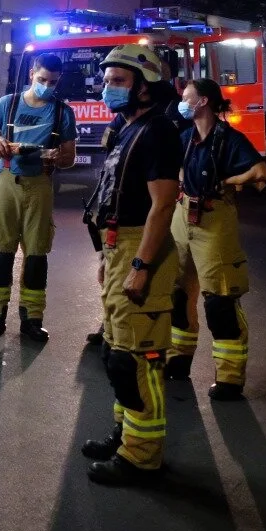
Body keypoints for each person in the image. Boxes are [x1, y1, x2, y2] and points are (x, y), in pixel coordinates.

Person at [79, 44, 182, 487]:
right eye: (106, 81)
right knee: (116, 353)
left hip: (142, 249)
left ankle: (142, 457)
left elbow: (162, 206)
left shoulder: (157, 131)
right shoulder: (129, 128)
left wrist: (140, 264)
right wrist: (109, 256)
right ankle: (126, 437)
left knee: (137, 359)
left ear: (145, 88)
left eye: (118, 82)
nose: (107, 89)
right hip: (122, 249)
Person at [165, 78, 266, 400]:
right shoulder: (184, 137)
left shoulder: (229, 139)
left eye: (187, 97)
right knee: (179, 294)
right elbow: (176, 172)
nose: (182, 102)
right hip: (183, 218)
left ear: (203, 102)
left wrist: (228, 181)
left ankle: (229, 379)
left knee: (219, 301)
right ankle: (178, 360)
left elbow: (261, 172)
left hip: (214, 221)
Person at [0, 53, 78, 342]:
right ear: (32, 74)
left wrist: (59, 156)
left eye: (52, 82)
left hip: (41, 184)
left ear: (59, 80)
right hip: (7, 181)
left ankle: (32, 320)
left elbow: (70, 157)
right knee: (2, 251)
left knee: (36, 254)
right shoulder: (8, 104)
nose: (46, 85)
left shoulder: (62, 112)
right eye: (42, 79)